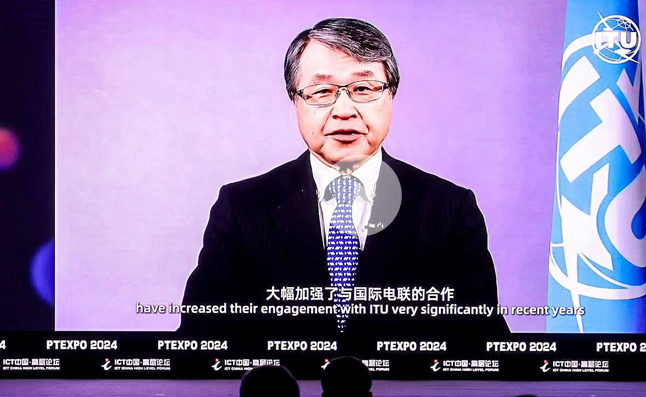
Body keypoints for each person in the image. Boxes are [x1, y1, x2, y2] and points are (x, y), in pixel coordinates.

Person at [180, 18, 508, 341]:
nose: (344, 110)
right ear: (295, 99)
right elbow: (198, 341)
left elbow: (482, 345)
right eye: (322, 91)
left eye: (363, 88)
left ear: (391, 95)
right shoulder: (242, 207)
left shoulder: (449, 209)